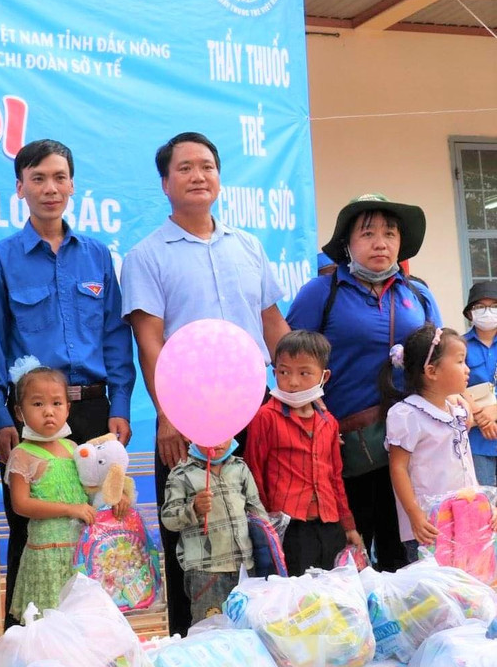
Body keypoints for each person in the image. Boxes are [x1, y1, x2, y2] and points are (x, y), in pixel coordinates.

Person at [121, 131, 288, 634]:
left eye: (208, 166)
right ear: (166, 183)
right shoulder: (146, 256)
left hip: (253, 405)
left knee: (257, 524)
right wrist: (168, 415)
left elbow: (272, 325)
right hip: (186, 414)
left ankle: (267, 637)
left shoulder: (248, 246)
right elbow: (149, 342)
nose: (199, 175)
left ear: (219, 177)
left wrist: (296, 394)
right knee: (193, 538)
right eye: (186, 168)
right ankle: (192, 647)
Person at [0, 139, 135, 597]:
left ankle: (99, 633)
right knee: (33, 530)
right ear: (20, 188)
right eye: (38, 178)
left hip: (91, 414)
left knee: (100, 524)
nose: (51, 188)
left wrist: (120, 404)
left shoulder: (96, 256)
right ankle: (29, 636)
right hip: (31, 419)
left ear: (72, 185)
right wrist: (0, 416)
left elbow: (114, 335)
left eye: (60, 177)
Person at [286, 194, 443, 572]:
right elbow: (289, 361)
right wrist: (312, 415)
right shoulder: (322, 293)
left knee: (406, 557)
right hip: (344, 451)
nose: (380, 243)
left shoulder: (417, 294)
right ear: (347, 244)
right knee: (346, 558)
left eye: (390, 234)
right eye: (368, 233)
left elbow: (438, 360)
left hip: (410, 449)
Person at [244, 330, 364, 575]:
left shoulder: (328, 422)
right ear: (274, 372)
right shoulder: (265, 418)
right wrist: (266, 522)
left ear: (324, 376)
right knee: (298, 598)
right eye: (284, 372)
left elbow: (335, 477)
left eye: (304, 373)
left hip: (329, 523)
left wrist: (348, 524)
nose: (293, 382)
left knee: (332, 594)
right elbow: (254, 472)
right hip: (289, 527)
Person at [3, 358, 98, 620]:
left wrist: (118, 497)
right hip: (45, 555)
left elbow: (91, 489)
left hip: (78, 554)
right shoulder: (22, 455)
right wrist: (70, 509)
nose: (48, 411)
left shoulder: (74, 449)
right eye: (37, 404)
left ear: (68, 408)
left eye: (56, 403)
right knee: (49, 622)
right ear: (19, 412)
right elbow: (21, 504)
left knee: (80, 620)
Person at [383, 324, 480, 562]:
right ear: (432, 371)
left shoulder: (456, 410)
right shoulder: (407, 414)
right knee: (435, 592)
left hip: (466, 518)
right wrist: (415, 514)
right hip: (430, 526)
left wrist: (483, 503)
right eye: (460, 362)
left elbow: (465, 464)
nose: (467, 369)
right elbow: (398, 467)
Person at [160, 437, 267, 625]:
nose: (217, 443)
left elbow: (256, 509)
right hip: (206, 573)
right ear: (192, 435)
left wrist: (271, 541)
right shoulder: (181, 473)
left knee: (248, 628)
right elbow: (169, 519)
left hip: (245, 567)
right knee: (211, 631)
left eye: (223, 436)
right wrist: (193, 509)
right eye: (210, 437)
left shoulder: (240, 468)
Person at [463, 280, 497, 486]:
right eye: (480, 307)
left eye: (494, 306)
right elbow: (453, 387)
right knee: (483, 503)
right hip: (476, 440)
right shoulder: (459, 345)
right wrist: (481, 416)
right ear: (469, 313)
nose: (487, 312)